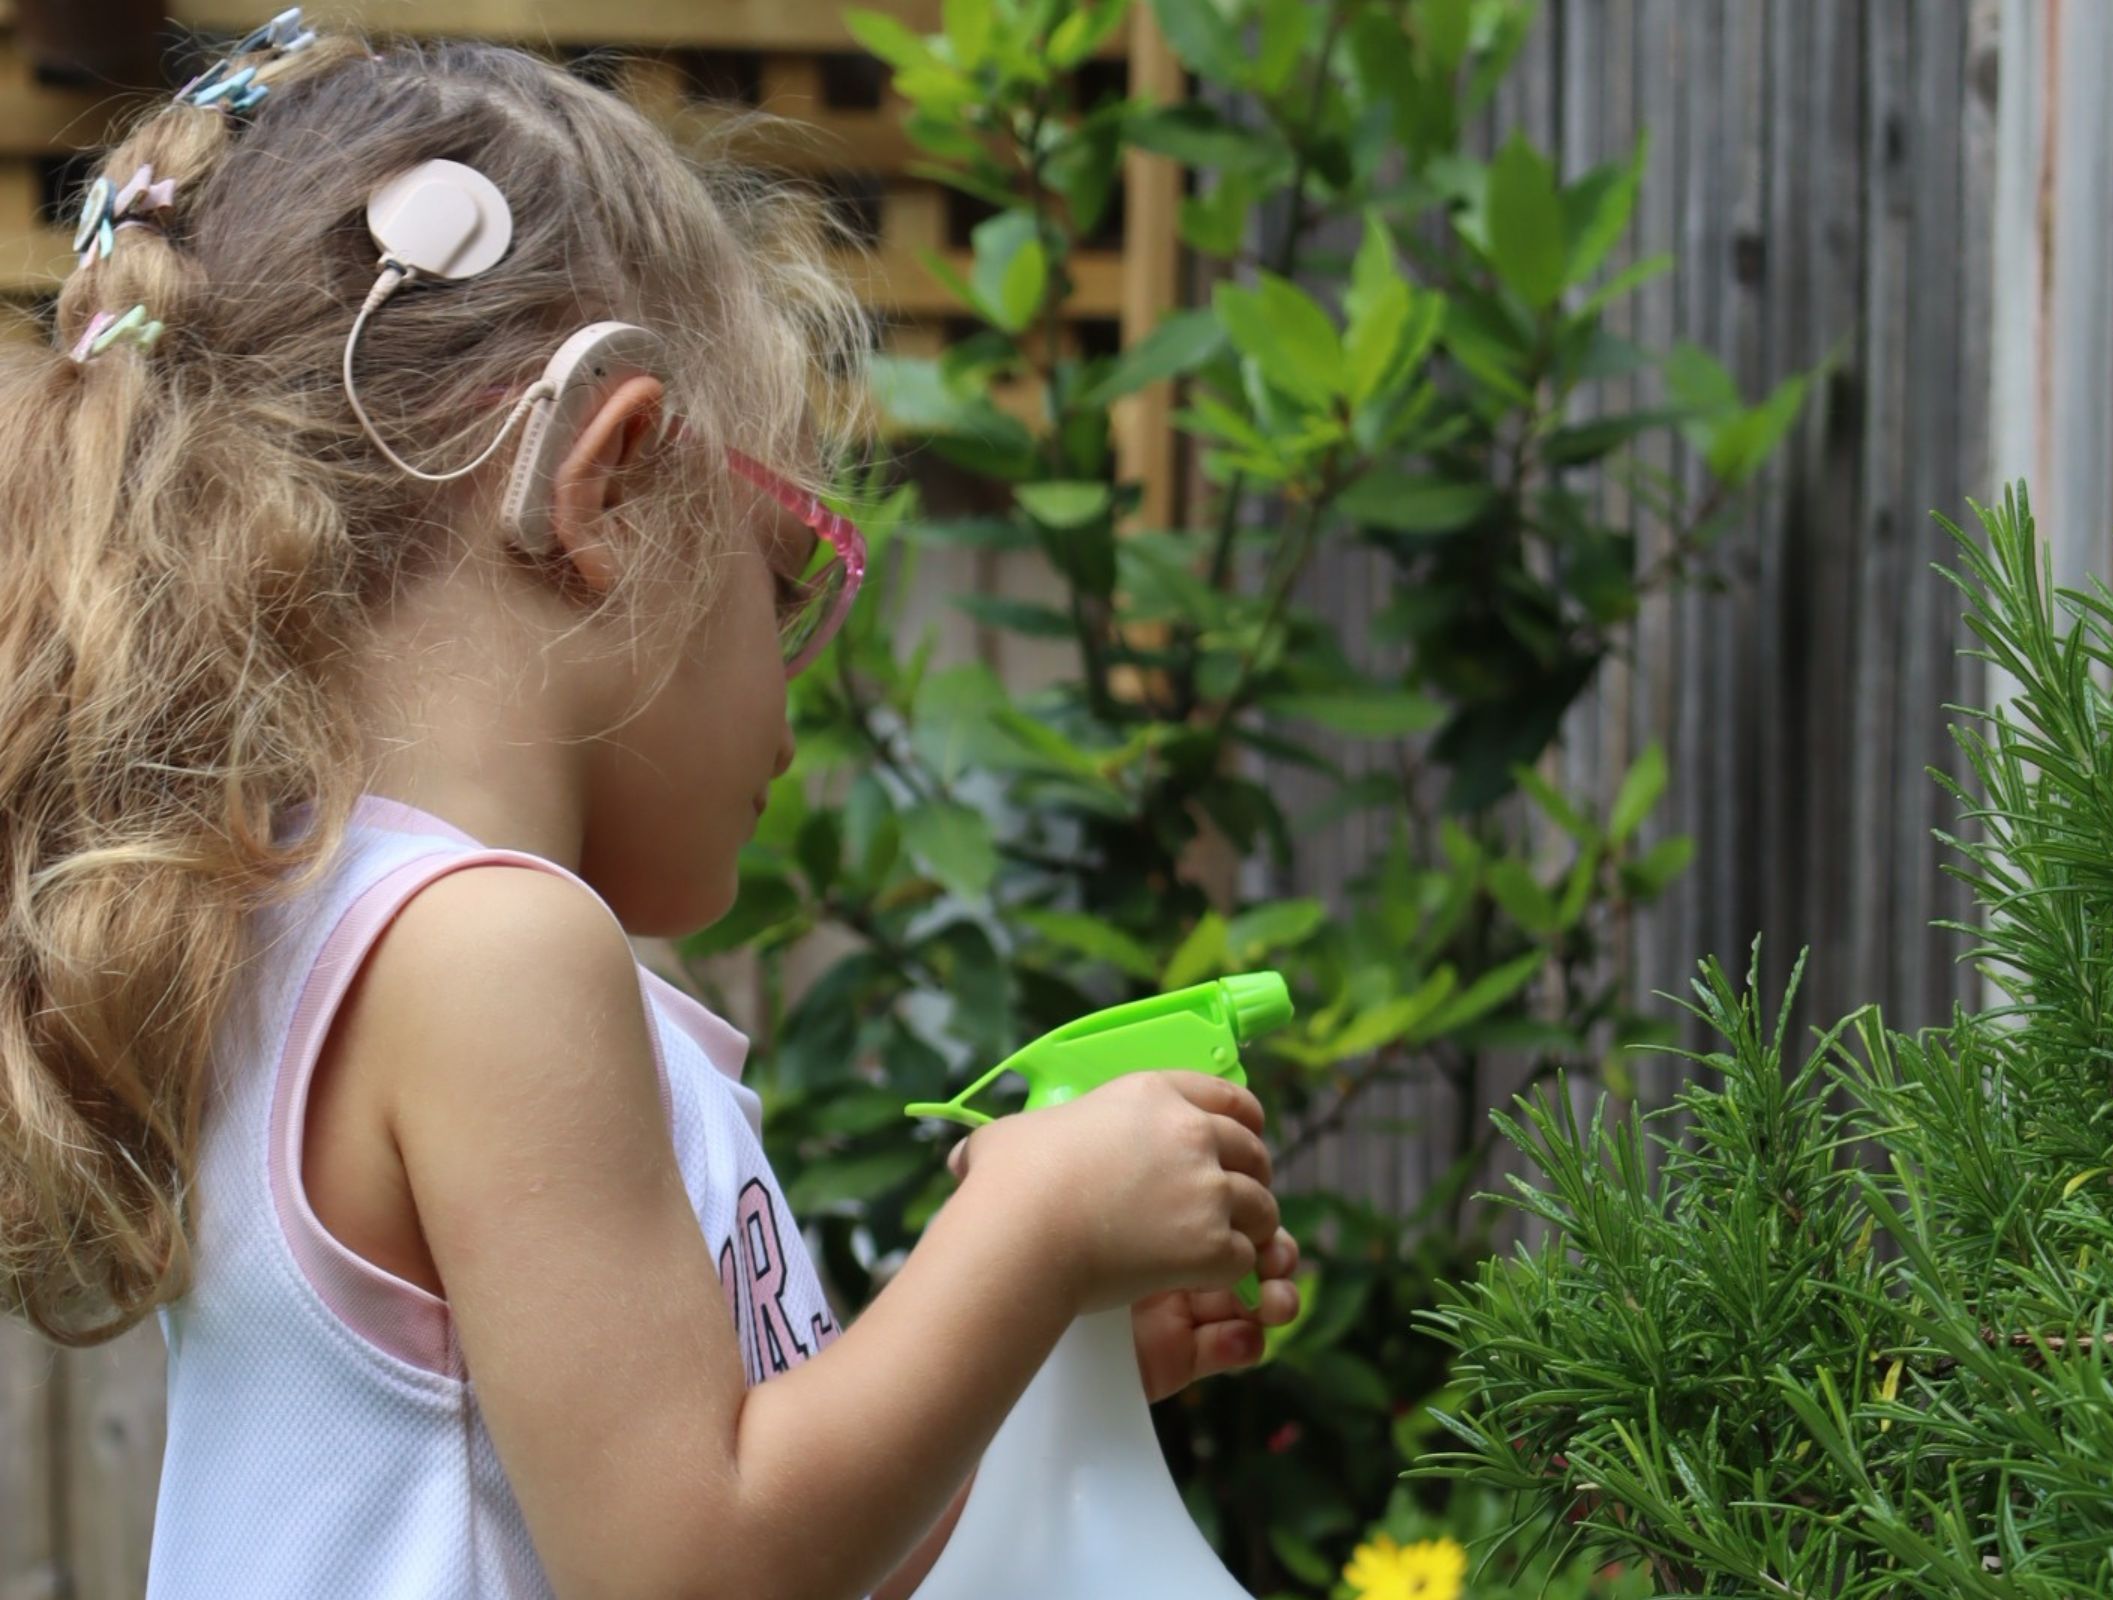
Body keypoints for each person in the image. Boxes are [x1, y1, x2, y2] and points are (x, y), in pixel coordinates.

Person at [0, 14, 1300, 1598]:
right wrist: (1016, 1243)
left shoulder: (332, 926)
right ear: (609, 490)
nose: (799, 692)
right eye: (789, 575)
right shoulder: (490, 957)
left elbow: (767, 1537)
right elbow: (696, 1568)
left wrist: (1027, 1366)